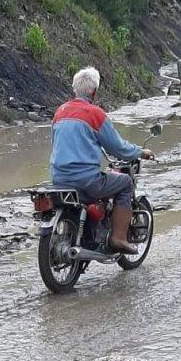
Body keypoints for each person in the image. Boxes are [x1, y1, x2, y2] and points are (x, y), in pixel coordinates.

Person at [50, 66, 154, 255]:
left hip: (58, 178)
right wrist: (140, 152)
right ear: (94, 92)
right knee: (125, 183)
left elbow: (56, 143)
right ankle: (118, 238)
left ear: (75, 89)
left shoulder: (60, 112)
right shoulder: (95, 114)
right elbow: (119, 148)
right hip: (86, 180)